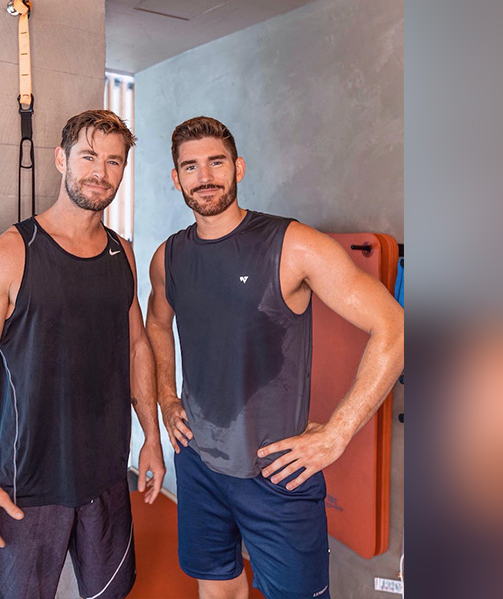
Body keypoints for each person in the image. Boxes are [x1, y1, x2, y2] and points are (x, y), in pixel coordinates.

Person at [146, 116, 404, 599]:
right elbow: (157, 324)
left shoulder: (294, 245)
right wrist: (165, 395)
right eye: (191, 167)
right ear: (176, 179)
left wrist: (338, 432)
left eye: (217, 162)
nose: (205, 177)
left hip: (277, 471)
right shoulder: (169, 257)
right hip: (197, 461)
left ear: (239, 168)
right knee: (217, 588)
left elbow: (395, 326)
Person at [0, 110, 166, 599]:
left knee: (110, 594)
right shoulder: (6, 254)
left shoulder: (123, 253)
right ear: (61, 160)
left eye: (114, 161)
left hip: (106, 475)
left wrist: (151, 436)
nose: (100, 172)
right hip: (27, 485)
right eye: (88, 156)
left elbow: (136, 346)